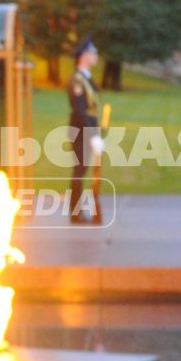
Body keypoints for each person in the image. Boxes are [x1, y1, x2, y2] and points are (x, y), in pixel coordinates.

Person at [67, 38, 103, 224]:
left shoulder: (86, 78)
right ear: (84, 56)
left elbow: (91, 107)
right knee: (79, 171)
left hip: (88, 129)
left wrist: (97, 133)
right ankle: (75, 213)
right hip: (81, 131)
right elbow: (80, 111)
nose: (95, 57)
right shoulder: (77, 81)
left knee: (82, 170)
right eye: (93, 53)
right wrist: (92, 136)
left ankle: (77, 211)